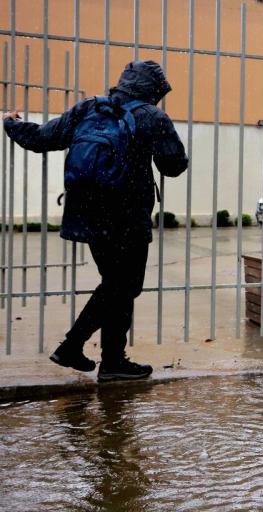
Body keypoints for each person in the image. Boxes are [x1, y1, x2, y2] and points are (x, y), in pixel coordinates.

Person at [3, 60, 188, 381]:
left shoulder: (89, 108)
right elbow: (173, 166)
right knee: (123, 285)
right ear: (154, 90)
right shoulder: (151, 116)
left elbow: (42, 139)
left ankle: (113, 362)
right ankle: (74, 346)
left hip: (86, 212)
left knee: (117, 285)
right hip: (126, 215)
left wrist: (12, 123)